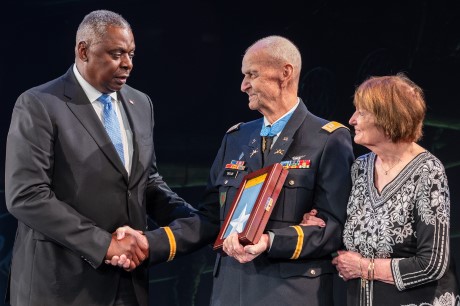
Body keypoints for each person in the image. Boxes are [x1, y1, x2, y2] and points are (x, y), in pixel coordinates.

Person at [114, 35, 355, 306]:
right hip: (230, 292)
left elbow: (335, 228)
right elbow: (210, 219)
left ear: (284, 73)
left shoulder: (328, 139)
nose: (243, 86)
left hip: (290, 294)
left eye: (252, 74)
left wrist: (270, 241)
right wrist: (150, 243)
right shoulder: (236, 138)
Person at [4, 9, 197, 306]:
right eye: (117, 53)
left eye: (131, 53)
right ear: (83, 51)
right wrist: (104, 244)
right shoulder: (39, 104)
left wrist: (196, 221)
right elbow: (26, 195)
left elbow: (145, 181)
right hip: (59, 286)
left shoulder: (140, 103)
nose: (128, 64)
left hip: (128, 285)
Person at [309, 74, 459, 305]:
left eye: (361, 112)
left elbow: (433, 263)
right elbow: (351, 236)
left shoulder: (428, 171)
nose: (351, 120)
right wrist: (320, 224)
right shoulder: (360, 167)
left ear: (388, 116)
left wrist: (365, 267)